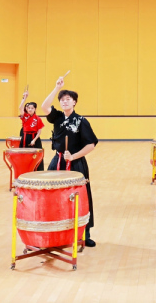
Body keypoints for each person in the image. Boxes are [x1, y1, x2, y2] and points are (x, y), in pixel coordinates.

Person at [41, 76, 98, 247]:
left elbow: (91, 144)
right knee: (54, 195)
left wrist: (73, 156)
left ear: (74, 102)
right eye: (62, 99)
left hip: (76, 163)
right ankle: (55, 231)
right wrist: (56, 88)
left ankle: (84, 233)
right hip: (57, 162)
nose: (64, 102)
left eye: (68, 99)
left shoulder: (81, 121)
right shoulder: (57, 117)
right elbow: (44, 106)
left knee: (81, 197)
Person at [18, 88, 45, 171]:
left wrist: (34, 140)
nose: (30, 109)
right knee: (24, 154)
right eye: (29, 108)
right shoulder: (25, 116)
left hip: (34, 138)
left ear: (35, 109)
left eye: (32, 108)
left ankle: (37, 171)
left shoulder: (38, 119)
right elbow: (20, 107)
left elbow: (39, 131)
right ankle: (25, 170)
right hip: (25, 137)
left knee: (37, 155)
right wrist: (25, 97)